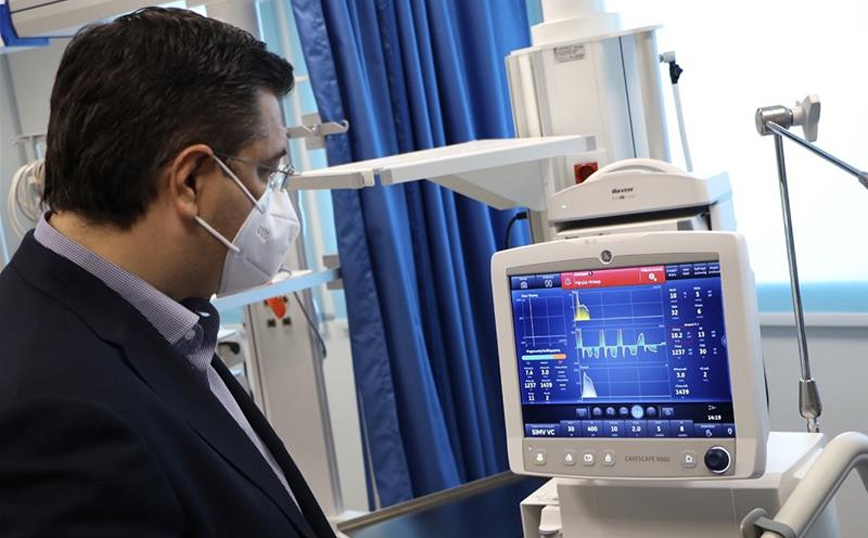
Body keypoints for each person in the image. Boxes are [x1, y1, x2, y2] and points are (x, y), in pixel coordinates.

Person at [0, 7, 336, 538]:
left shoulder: (164, 315)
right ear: (190, 182)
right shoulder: (56, 414)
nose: (276, 203)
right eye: (265, 171)